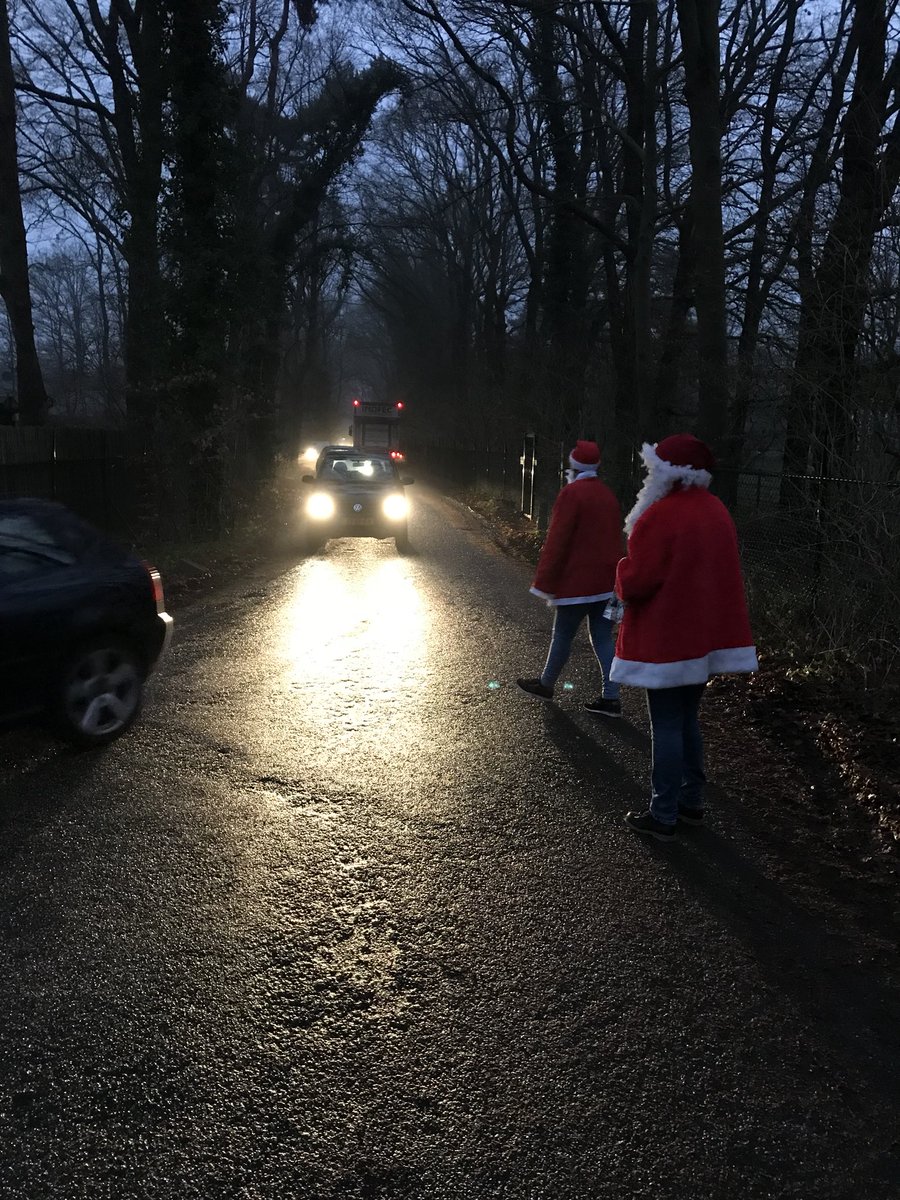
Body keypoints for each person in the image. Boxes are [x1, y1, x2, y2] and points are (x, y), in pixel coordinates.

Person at [609, 434, 758, 842]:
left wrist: (621, 571)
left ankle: (663, 814)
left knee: (667, 724)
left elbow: (638, 581)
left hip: (667, 638)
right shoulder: (716, 511)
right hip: (704, 637)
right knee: (688, 718)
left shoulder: (661, 515)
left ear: (666, 471)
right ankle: (691, 801)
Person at [517, 440, 624, 714]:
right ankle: (611, 697)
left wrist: (545, 581)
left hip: (576, 581)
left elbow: (558, 539)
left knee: (563, 634)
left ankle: (547, 683)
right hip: (606, 581)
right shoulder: (607, 495)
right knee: (602, 637)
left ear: (574, 466)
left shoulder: (572, 494)